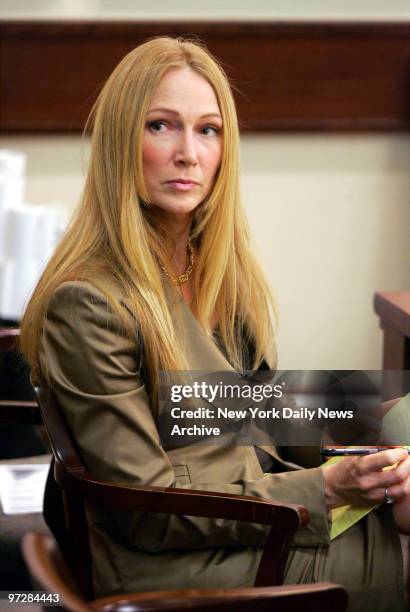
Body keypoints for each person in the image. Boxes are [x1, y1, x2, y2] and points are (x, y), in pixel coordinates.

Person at [20, 37, 410, 612]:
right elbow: (148, 514)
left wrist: (376, 434)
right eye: (161, 126)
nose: (189, 153)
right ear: (119, 141)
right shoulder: (88, 302)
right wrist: (333, 485)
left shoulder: (210, 265)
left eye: (208, 130)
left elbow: (250, 408)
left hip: (250, 506)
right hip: (180, 557)